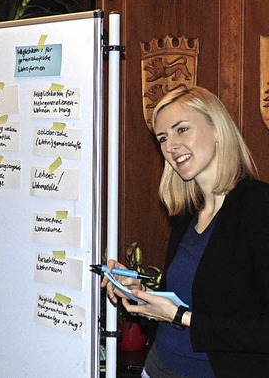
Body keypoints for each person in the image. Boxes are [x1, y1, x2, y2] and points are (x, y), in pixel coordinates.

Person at [103, 86, 269, 377]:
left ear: (217, 129)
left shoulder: (259, 207)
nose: (170, 146)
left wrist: (181, 317)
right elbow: (189, 297)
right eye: (163, 138)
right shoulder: (188, 212)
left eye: (182, 130)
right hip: (157, 367)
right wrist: (140, 294)